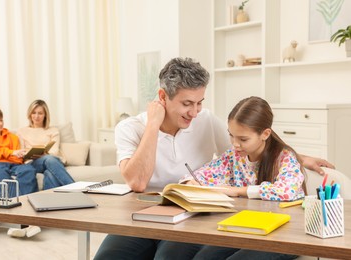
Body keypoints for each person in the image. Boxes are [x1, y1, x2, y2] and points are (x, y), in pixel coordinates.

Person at [94, 57, 334, 260]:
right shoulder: (129, 128)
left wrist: (298, 158)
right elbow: (137, 183)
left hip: (192, 214)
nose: (195, 112)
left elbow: (249, 146)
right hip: (143, 215)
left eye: (199, 103)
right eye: (187, 104)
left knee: (169, 256)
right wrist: (153, 126)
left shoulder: (205, 120)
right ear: (162, 97)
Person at [181, 96, 304, 259]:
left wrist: (239, 191)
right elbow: (203, 175)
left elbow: (285, 192)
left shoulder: (284, 157)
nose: (235, 144)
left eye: (243, 139)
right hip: (246, 228)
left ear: (265, 134)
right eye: (231, 135)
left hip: (284, 234)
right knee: (203, 258)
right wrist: (191, 182)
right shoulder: (234, 156)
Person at [0, 106, 41, 238]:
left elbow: (15, 158)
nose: (0, 124)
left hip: (12, 164)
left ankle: (29, 215)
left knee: (28, 170)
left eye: (1, 120)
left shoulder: (12, 137)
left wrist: (19, 154)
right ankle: (15, 221)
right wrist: (8, 152)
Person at [17, 99, 74, 190]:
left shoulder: (53, 130)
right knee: (49, 159)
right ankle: (76, 188)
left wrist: (43, 154)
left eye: (40, 113)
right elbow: (21, 152)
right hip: (33, 163)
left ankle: (49, 201)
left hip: (51, 160)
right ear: (30, 114)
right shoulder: (22, 131)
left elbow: (54, 151)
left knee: (49, 174)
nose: (36, 116)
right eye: (34, 113)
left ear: (45, 115)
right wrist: (28, 154)